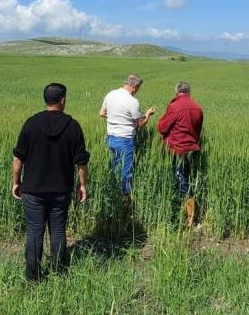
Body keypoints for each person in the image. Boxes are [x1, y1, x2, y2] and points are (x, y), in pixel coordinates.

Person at [12, 83, 90, 281]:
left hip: (33, 190)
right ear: (62, 100)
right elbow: (81, 162)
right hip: (61, 191)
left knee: (34, 232)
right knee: (57, 230)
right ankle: (59, 272)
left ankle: (33, 276)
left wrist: (16, 181)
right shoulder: (73, 126)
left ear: (45, 99)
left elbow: (18, 157)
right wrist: (82, 185)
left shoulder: (31, 123)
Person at [99, 74, 155, 205]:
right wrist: (148, 114)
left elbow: (102, 113)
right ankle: (125, 203)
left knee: (114, 168)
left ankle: (112, 195)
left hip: (111, 138)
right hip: (125, 140)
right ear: (134, 87)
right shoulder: (132, 101)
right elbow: (140, 123)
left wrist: (116, 117)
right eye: (138, 88)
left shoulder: (111, 94)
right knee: (126, 172)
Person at [157, 81, 203, 226]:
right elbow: (198, 131)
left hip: (178, 149)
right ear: (189, 92)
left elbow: (162, 128)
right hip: (192, 149)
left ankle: (187, 217)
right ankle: (189, 215)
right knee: (187, 179)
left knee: (180, 180)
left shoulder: (175, 106)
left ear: (177, 92)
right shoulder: (197, 107)